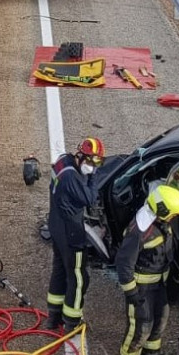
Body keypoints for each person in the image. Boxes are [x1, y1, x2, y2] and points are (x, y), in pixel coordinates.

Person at [115, 185, 179, 355]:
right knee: (142, 321)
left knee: (162, 314)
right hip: (142, 285)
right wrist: (132, 293)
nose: (174, 218)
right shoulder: (139, 231)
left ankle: (151, 349)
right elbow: (123, 264)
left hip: (158, 282)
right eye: (173, 214)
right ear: (163, 211)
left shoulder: (160, 222)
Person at [45, 137, 105, 332]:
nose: (93, 166)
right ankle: (72, 322)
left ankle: (53, 317)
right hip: (71, 233)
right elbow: (89, 198)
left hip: (56, 226)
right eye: (93, 162)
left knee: (60, 269)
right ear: (81, 156)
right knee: (79, 278)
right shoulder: (72, 177)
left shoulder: (63, 162)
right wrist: (93, 176)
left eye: (97, 163)